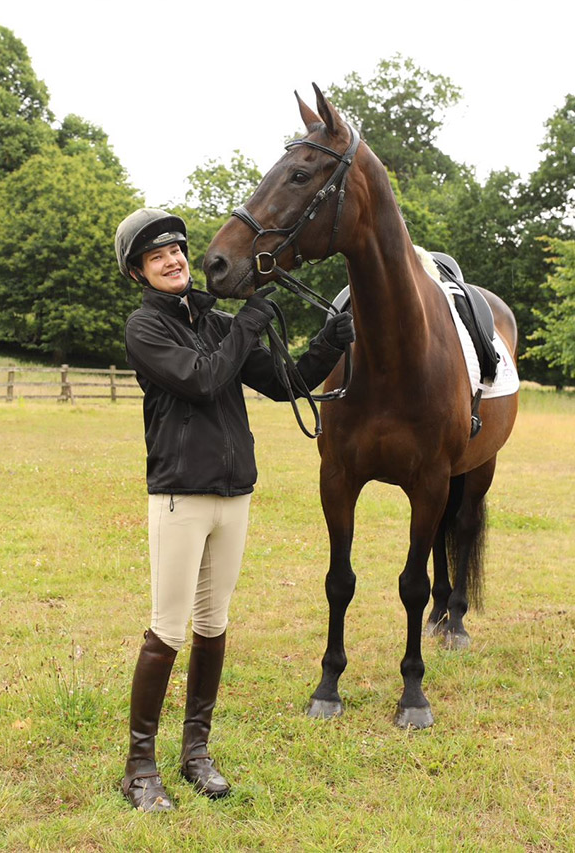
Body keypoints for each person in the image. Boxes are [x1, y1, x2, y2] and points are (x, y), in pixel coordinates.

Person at [113, 208, 354, 812]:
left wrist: (334, 335)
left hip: (233, 494)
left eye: (176, 250)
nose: (172, 260)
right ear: (139, 273)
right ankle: (140, 767)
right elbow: (201, 379)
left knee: (213, 624)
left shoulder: (217, 322)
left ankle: (197, 752)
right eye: (156, 256)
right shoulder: (146, 330)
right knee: (169, 628)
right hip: (179, 496)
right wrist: (247, 322)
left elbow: (285, 381)